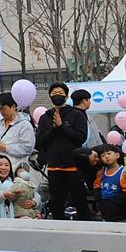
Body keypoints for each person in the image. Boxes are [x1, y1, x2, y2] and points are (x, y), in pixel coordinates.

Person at [36, 82, 92, 221]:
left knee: (80, 202)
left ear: (66, 96)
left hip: (73, 166)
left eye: (60, 94)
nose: (57, 96)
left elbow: (80, 137)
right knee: (56, 203)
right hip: (54, 167)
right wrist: (54, 129)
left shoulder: (76, 115)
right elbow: (40, 141)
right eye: (54, 94)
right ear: (49, 96)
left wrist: (62, 126)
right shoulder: (45, 117)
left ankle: (87, 230)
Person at [0, 92, 35, 174]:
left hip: (16, 169)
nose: (1, 112)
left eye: (3, 109)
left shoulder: (25, 125)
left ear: (13, 106)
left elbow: (27, 148)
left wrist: (7, 148)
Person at [95, 145, 126, 222]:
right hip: (105, 210)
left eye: (109, 153)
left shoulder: (124, 172)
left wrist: (113, 204)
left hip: (120, 211)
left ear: (117, 155)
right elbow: (97, 188)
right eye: (103, 155)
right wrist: (101, 203)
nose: (106, 157)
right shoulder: (101, 172)